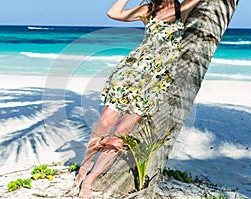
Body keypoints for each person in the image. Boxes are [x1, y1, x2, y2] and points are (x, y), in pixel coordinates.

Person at [74, 0, 200, 198]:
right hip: (129, 73)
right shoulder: (147, 10)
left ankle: (90, 180)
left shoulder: (181, 9)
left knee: (120, 135)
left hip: (154, 83)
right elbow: (113, 13)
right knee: (105, 123)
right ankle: (84, 168)